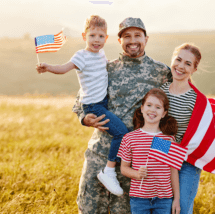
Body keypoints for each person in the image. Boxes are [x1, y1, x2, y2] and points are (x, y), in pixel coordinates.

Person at [73, 17, 172, 214]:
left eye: (137, 35)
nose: (132, 40)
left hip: (133, 161)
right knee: (89, 208)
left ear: (146, 39)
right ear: (119, 41)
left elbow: (171, 111)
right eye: (127, 36)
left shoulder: (161, 72)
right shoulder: (106, 68)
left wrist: (162, 150)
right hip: (99, 154)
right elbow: (80, 101)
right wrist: (84, 119)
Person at [35, 15, 129, 196]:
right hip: (93, 106)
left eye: (101, 36)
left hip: (102, 102)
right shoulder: (81, 56)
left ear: (106, 38)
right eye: (92, 35)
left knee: (120, 132)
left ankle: (110, 170)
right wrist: (47, 66)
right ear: (84, 36)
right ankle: (108, 171)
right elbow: (64, 68)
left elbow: (103, 70)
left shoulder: (101, 54)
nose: (96, 40)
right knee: (121, 132)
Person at [118, 88, 180, 214]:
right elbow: (124, 168)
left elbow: (173, 172)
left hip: (164, 199)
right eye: (149, 105)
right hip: (139, 199)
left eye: (158, 107)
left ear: (163, 113)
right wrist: (137, 174)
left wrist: (177, 199)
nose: (152, 110)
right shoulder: (130, 138)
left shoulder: (168, 140)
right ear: (142, 108)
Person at [160, 43, 202, 214]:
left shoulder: (197, 100)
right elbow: (151, 133)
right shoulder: (160, 93)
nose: (180, 66)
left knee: (181, 209)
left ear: (194, 69)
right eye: (178, 60)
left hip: (187, 163)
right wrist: (167, 150)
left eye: (187, 63)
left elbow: (201, 138)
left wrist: (177, 153)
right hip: (162, 159)